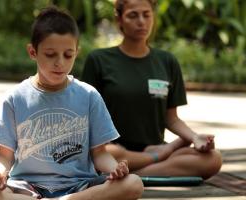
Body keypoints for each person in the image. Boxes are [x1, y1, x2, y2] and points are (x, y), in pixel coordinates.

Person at [0, 6, 143, 200]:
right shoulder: (14, 98)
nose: (60, 63)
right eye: (50, 54)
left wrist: (115, 169)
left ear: (76, 52)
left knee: (133, 183)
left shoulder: (89, 96)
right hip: (27, 187)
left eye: (68, 55)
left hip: (80, 186)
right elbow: (4, 157)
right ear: (32, 51)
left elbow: (100, 154)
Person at [82, 0, 222, 179]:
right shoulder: (99, 60)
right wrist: (168, 150)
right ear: (119, 19)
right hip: (115, 150)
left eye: (146, 15)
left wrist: (195, 138)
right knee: (107, 153)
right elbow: (87, 118)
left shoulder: (167, 61)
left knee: (213, 159)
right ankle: (151, 162)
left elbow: (171, 119)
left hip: (156, 147)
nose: (141, 21)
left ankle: (129, 174)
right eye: (133, 15)